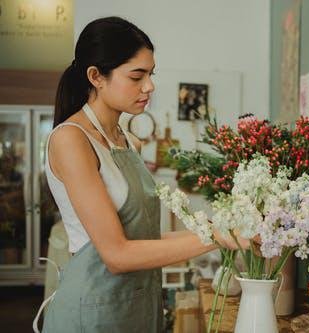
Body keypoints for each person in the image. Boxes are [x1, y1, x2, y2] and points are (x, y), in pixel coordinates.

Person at [33, 16, 245, 333]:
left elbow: (143, 240)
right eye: (137, 76)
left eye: (150, 74)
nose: (149, 86)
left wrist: (221, 229)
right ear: (96, 77)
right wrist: (215, 237)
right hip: (93, 313)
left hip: (136, 309)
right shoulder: (71, 140)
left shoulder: (126, 140)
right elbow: (117, 254)